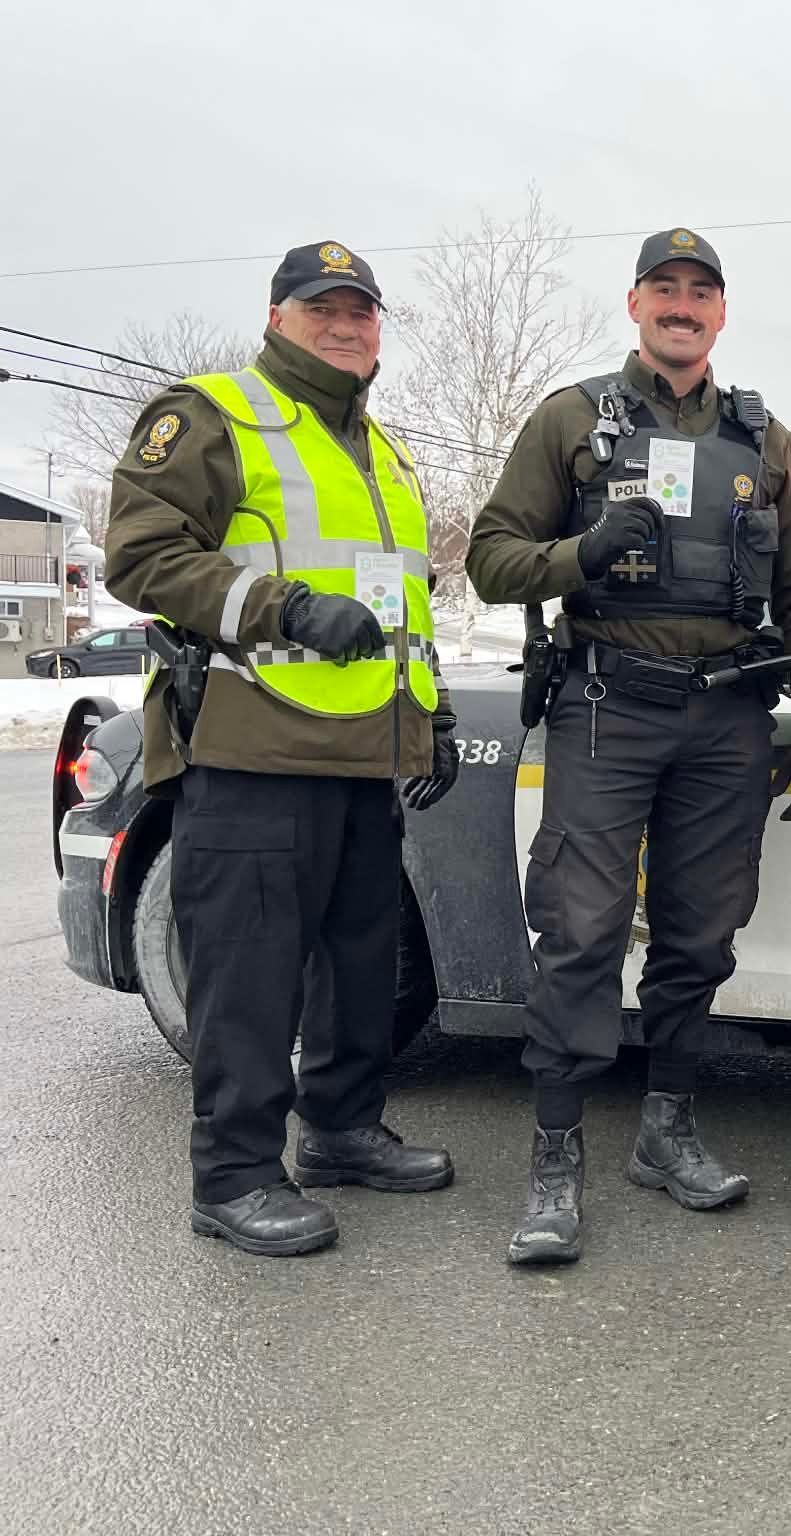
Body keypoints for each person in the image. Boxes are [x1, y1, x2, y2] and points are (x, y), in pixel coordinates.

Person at [467, 227, 791, 1266]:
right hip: (607, 706)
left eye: (701, 292)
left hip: (727, 715)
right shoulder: (573, 419)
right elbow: (490, 559)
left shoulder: (767, 442)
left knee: (701, 929)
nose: (682, 306)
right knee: (581, 930)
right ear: (635, 303)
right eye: (664, 289)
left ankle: (666, 1128)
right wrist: (578, 553)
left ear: (722, 313)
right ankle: (554, 1159)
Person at [104, 240, 458, 1258]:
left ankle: (341, 1132)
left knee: (358, 966)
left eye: (362, 311)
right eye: (323, 309)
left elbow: (401, 600)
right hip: (253, 744)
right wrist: (279, 605)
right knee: (250, 976)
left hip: (359, 751)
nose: (346, 326)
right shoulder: (217, 414)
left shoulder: (376, 449)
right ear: (278, 316)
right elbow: (141, 553)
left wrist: (423, 716)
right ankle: (234, 1176)